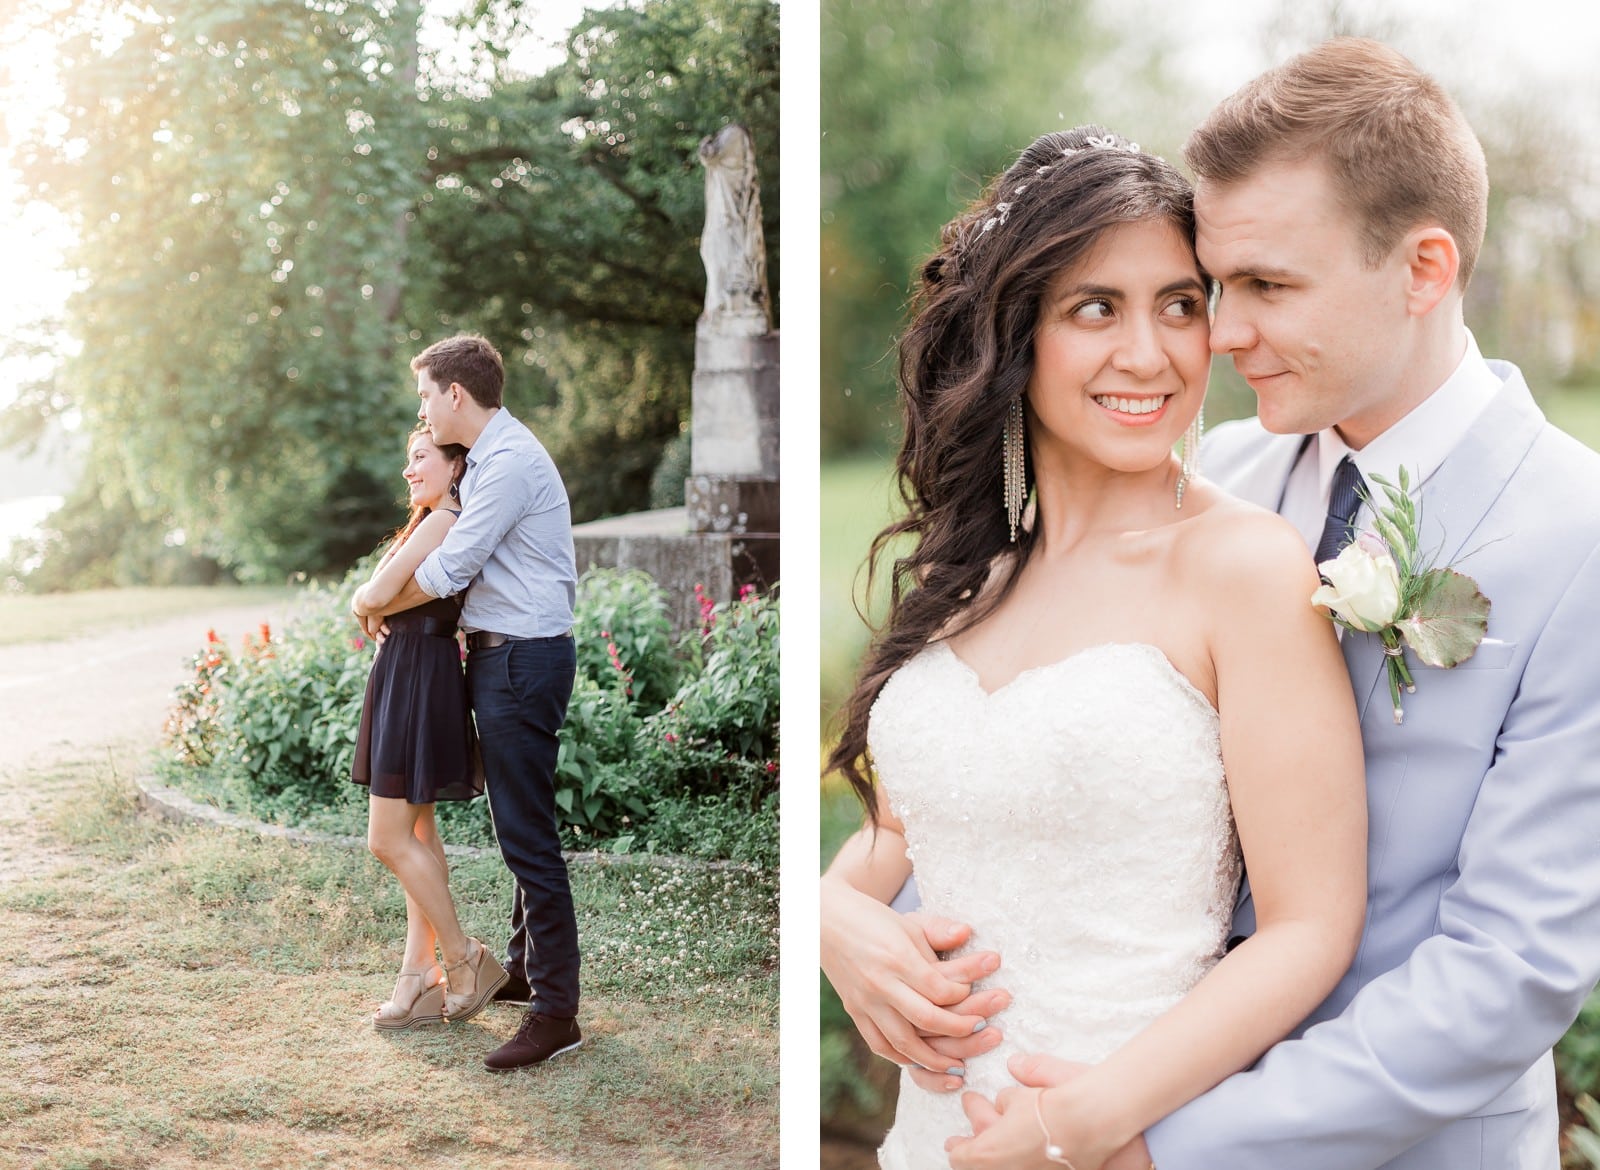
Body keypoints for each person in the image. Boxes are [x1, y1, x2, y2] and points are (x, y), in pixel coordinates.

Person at [831, 39, 1600, 1170]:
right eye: (1218, 288)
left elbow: (1508, 970)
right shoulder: (1226, 470)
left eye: (1263, 288)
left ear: (1424, 268)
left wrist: (1142, 1139)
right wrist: (837, 915)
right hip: (1007, 1108)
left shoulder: (1573, 534)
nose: (1221, 337)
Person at [819, 124, 1369, 1170]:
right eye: (1094, 309)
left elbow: (1311, 926)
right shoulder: (966, 577)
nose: (1149, 354)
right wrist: (828, 917)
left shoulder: (1243, 568)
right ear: (1013, 334)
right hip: (925, 1136)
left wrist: (1081, 1124)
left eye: (1179, 304)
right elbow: (906, 837)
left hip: (1110, 1131)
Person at [352, 333, 583, 1073]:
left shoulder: (507, 464)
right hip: (502, 656)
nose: (421, 407)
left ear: (456, 395)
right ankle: (520, 970)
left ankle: (556, 1013)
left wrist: (381, 602)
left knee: (527, 838)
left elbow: (451, 568)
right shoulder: (487, 461)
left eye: (426, 394)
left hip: (522, 657)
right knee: (517, 824)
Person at [350, 424, 499, 1030]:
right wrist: (372, 603)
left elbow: (375, 590)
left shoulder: (442, 520)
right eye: (406, 459)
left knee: (386, 839)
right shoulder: (429, 519)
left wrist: (367, 604)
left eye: (420, 458)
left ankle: (464, 957)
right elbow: (378, 595)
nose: (409, 471)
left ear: (453, 465)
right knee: (419, 831)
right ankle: (420, 975)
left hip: (417, 675)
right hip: (414, 669)